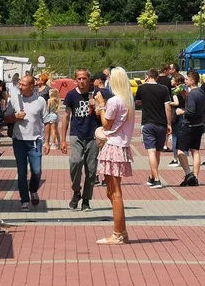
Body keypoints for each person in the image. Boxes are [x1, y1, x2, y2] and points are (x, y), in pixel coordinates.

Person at [93, 67, 136, 245]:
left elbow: (106, 123)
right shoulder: (128, 101)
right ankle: (121, 232)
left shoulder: (115, 101)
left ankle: (118, 233)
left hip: (113, 146)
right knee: (112, 191)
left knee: (115, 192)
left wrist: (101, 104)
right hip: (122, 146)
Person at [62, 69, 111, 211]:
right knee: (75, 161)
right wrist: (63, 140)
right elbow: (65, 116)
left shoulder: (98, 93)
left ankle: (86, 200)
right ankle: (76, 190)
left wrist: (99, 105)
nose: (82, 81)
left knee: (91, 169)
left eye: (84, 78)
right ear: (75, 80)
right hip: (76, 133)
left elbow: (113, 103)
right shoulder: (71, 95)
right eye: (79, 78)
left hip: (93, 134)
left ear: (89, 80)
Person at [6, 74, 48, 210]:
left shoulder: (40, 101)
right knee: (21, 171)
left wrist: (47, 141)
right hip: (19, 140)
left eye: (24, 85)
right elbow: (6, 118)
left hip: (35, 141)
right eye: (20, 84)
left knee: (37, 171)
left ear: (32, 86)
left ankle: (33, 189)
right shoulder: (14, 100)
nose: (20, 87)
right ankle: (24, 200)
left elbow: (46, 121)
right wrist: (15, 117)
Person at [135, 68, 172, 188]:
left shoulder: (142, 88)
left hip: (147, 123)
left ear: (147, 76)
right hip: (161, 123)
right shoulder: (164, 89)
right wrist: (169, 124)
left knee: (151, 151)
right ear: (157, 77)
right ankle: (152, 176)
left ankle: (156, 179)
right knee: (158, 152)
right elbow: (168, 108)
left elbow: (138, 102)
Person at [177, 70, 205, 186]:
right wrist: (186, 97)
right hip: (199, 125)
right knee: (195, 150)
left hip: (189, 125)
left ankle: (189, 173)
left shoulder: (193, 94)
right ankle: (196, 177)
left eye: (187, 79)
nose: (185, 81)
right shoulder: (201, 92)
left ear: (192, 80)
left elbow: (191, 111)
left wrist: (181, 111)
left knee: (179, 150)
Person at [169, 73, 188, 163]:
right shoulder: (184, 90)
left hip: (176, 114)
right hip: (184, 113)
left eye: (172, 79)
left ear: (176, 82)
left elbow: (176, 102)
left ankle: (175, 158)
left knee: (175, 136)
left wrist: (168, 103)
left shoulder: (174, 91)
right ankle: (184, 155)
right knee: (183, 135)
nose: (171, 81)